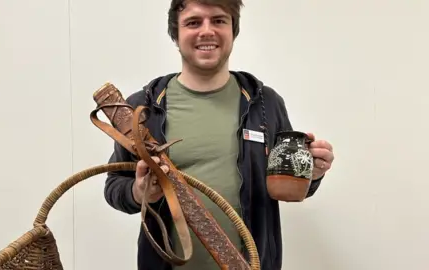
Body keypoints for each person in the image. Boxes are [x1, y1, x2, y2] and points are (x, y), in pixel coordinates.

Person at [103, 0, 335, 269]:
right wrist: (138, 191)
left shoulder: (264, 103)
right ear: (175, 35)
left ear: (233, 30)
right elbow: (114, 186)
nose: (207, 31)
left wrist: (312, 174)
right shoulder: (142, 108)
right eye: (193, 22)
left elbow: (285, 182)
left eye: (218, 20)